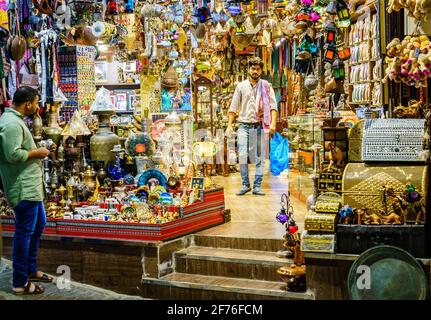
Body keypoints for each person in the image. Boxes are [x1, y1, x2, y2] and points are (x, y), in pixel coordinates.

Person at [0, 86, 54, 295]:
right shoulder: (11, 124)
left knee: (39, 224)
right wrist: (37, 152)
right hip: (23, 188)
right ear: (28, 103)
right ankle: (19, 282)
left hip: (31, 186)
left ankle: (29, 269)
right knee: (24, 233)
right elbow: (13, 155)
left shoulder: (14, 120)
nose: (37, 106)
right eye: (36, 102)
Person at [226, 56, 278, 196]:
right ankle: (245, 184)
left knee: (260, 157)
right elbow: (233, 107)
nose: (255, 71)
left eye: (258, 69)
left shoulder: (266, 86)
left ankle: (257, 186)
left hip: (260, 125)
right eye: (253, 68)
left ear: (261, 70)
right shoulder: (241, 86)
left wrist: (273, 123)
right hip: (243, 125)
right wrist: (230, 125)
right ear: (248, 69)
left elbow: (273, 106)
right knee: (242, 154)